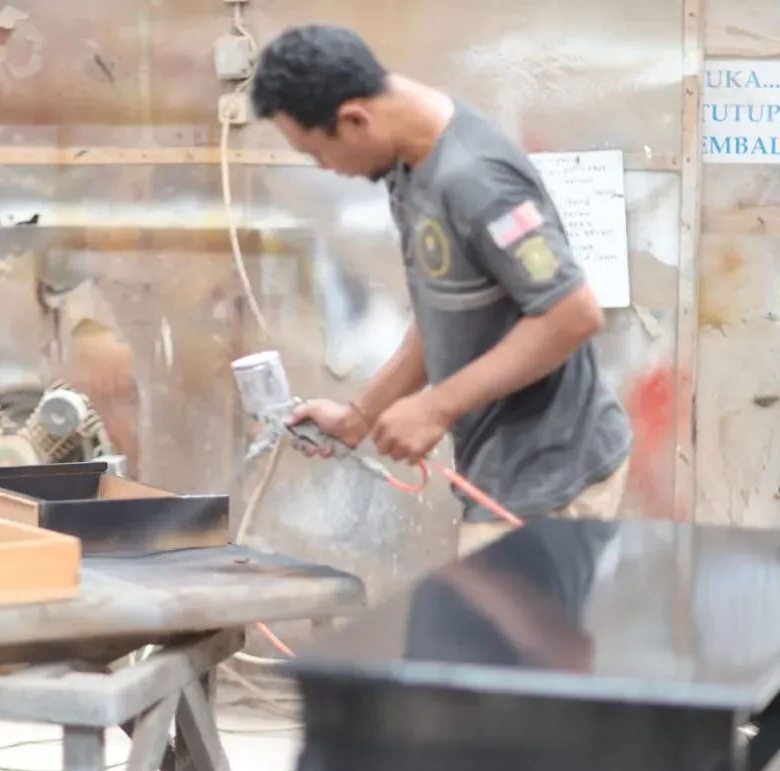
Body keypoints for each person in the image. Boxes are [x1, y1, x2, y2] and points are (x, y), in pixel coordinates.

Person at [248, 25, 633, 555]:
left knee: (486, 639)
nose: (322, 168)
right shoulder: (407, 166)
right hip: (506, 466)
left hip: (551, 471)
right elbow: (444, 309)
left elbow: (571, 314)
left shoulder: (477, 180)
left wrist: (436, 407)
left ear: (354, 119)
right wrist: (360, 415)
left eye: (317, 151)